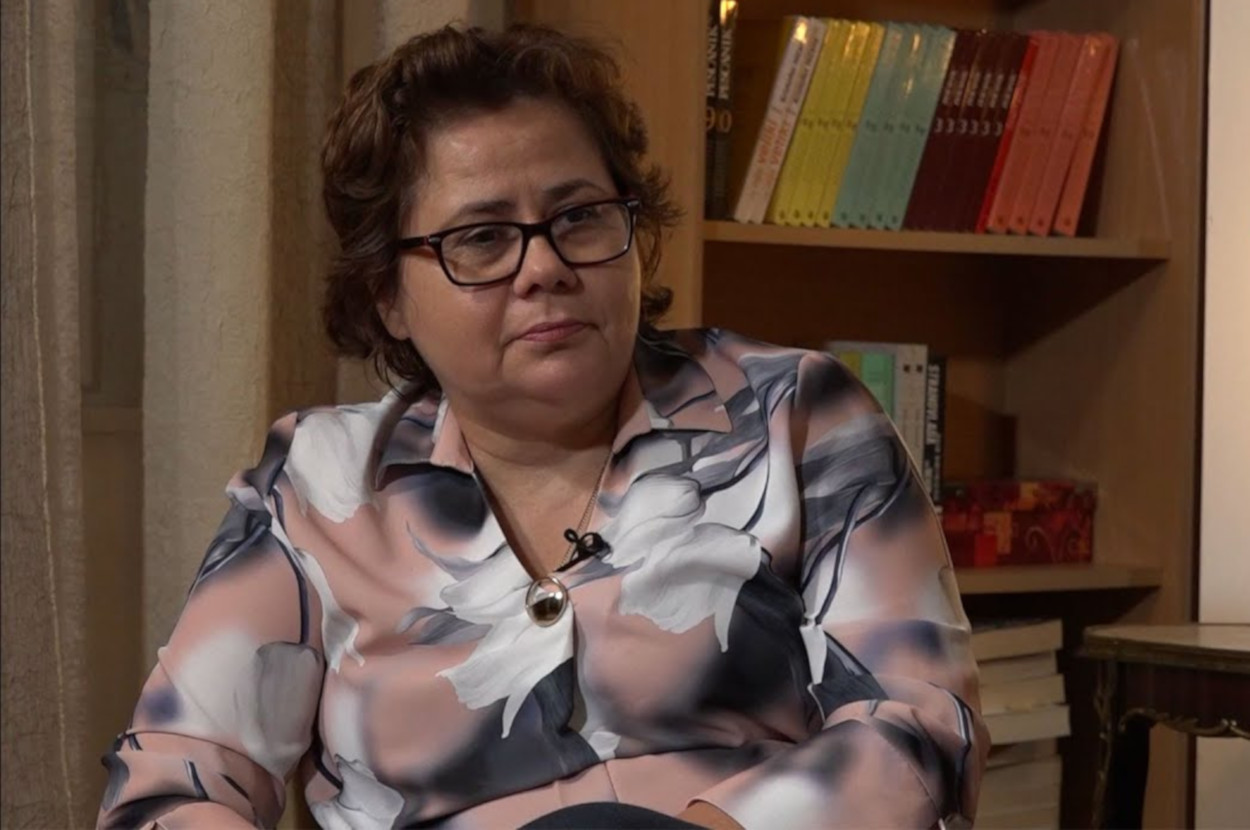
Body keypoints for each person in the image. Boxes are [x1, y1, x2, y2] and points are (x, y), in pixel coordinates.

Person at [98, 23, 987, 830]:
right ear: (387, 293)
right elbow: (171, 786)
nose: (546, 268)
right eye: (482, 239)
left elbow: (918, 719)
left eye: (579, 218)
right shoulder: (315, 487)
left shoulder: (796, 414)